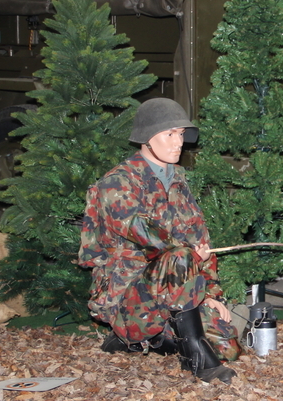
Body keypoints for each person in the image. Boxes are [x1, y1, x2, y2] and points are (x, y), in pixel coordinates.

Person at [79, 98, 239, 384]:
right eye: (169, 134)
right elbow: (152, 240)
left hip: (176, 287)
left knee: (227, 345)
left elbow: (200, 240)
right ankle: (196, 359)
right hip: (127, 295)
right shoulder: (118, 183)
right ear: (146, 139)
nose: (179, 142)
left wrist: (211, 294)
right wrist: (191, 257)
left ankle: (141, 341)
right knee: (179, 257)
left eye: (180, 133)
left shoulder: (177, 180)